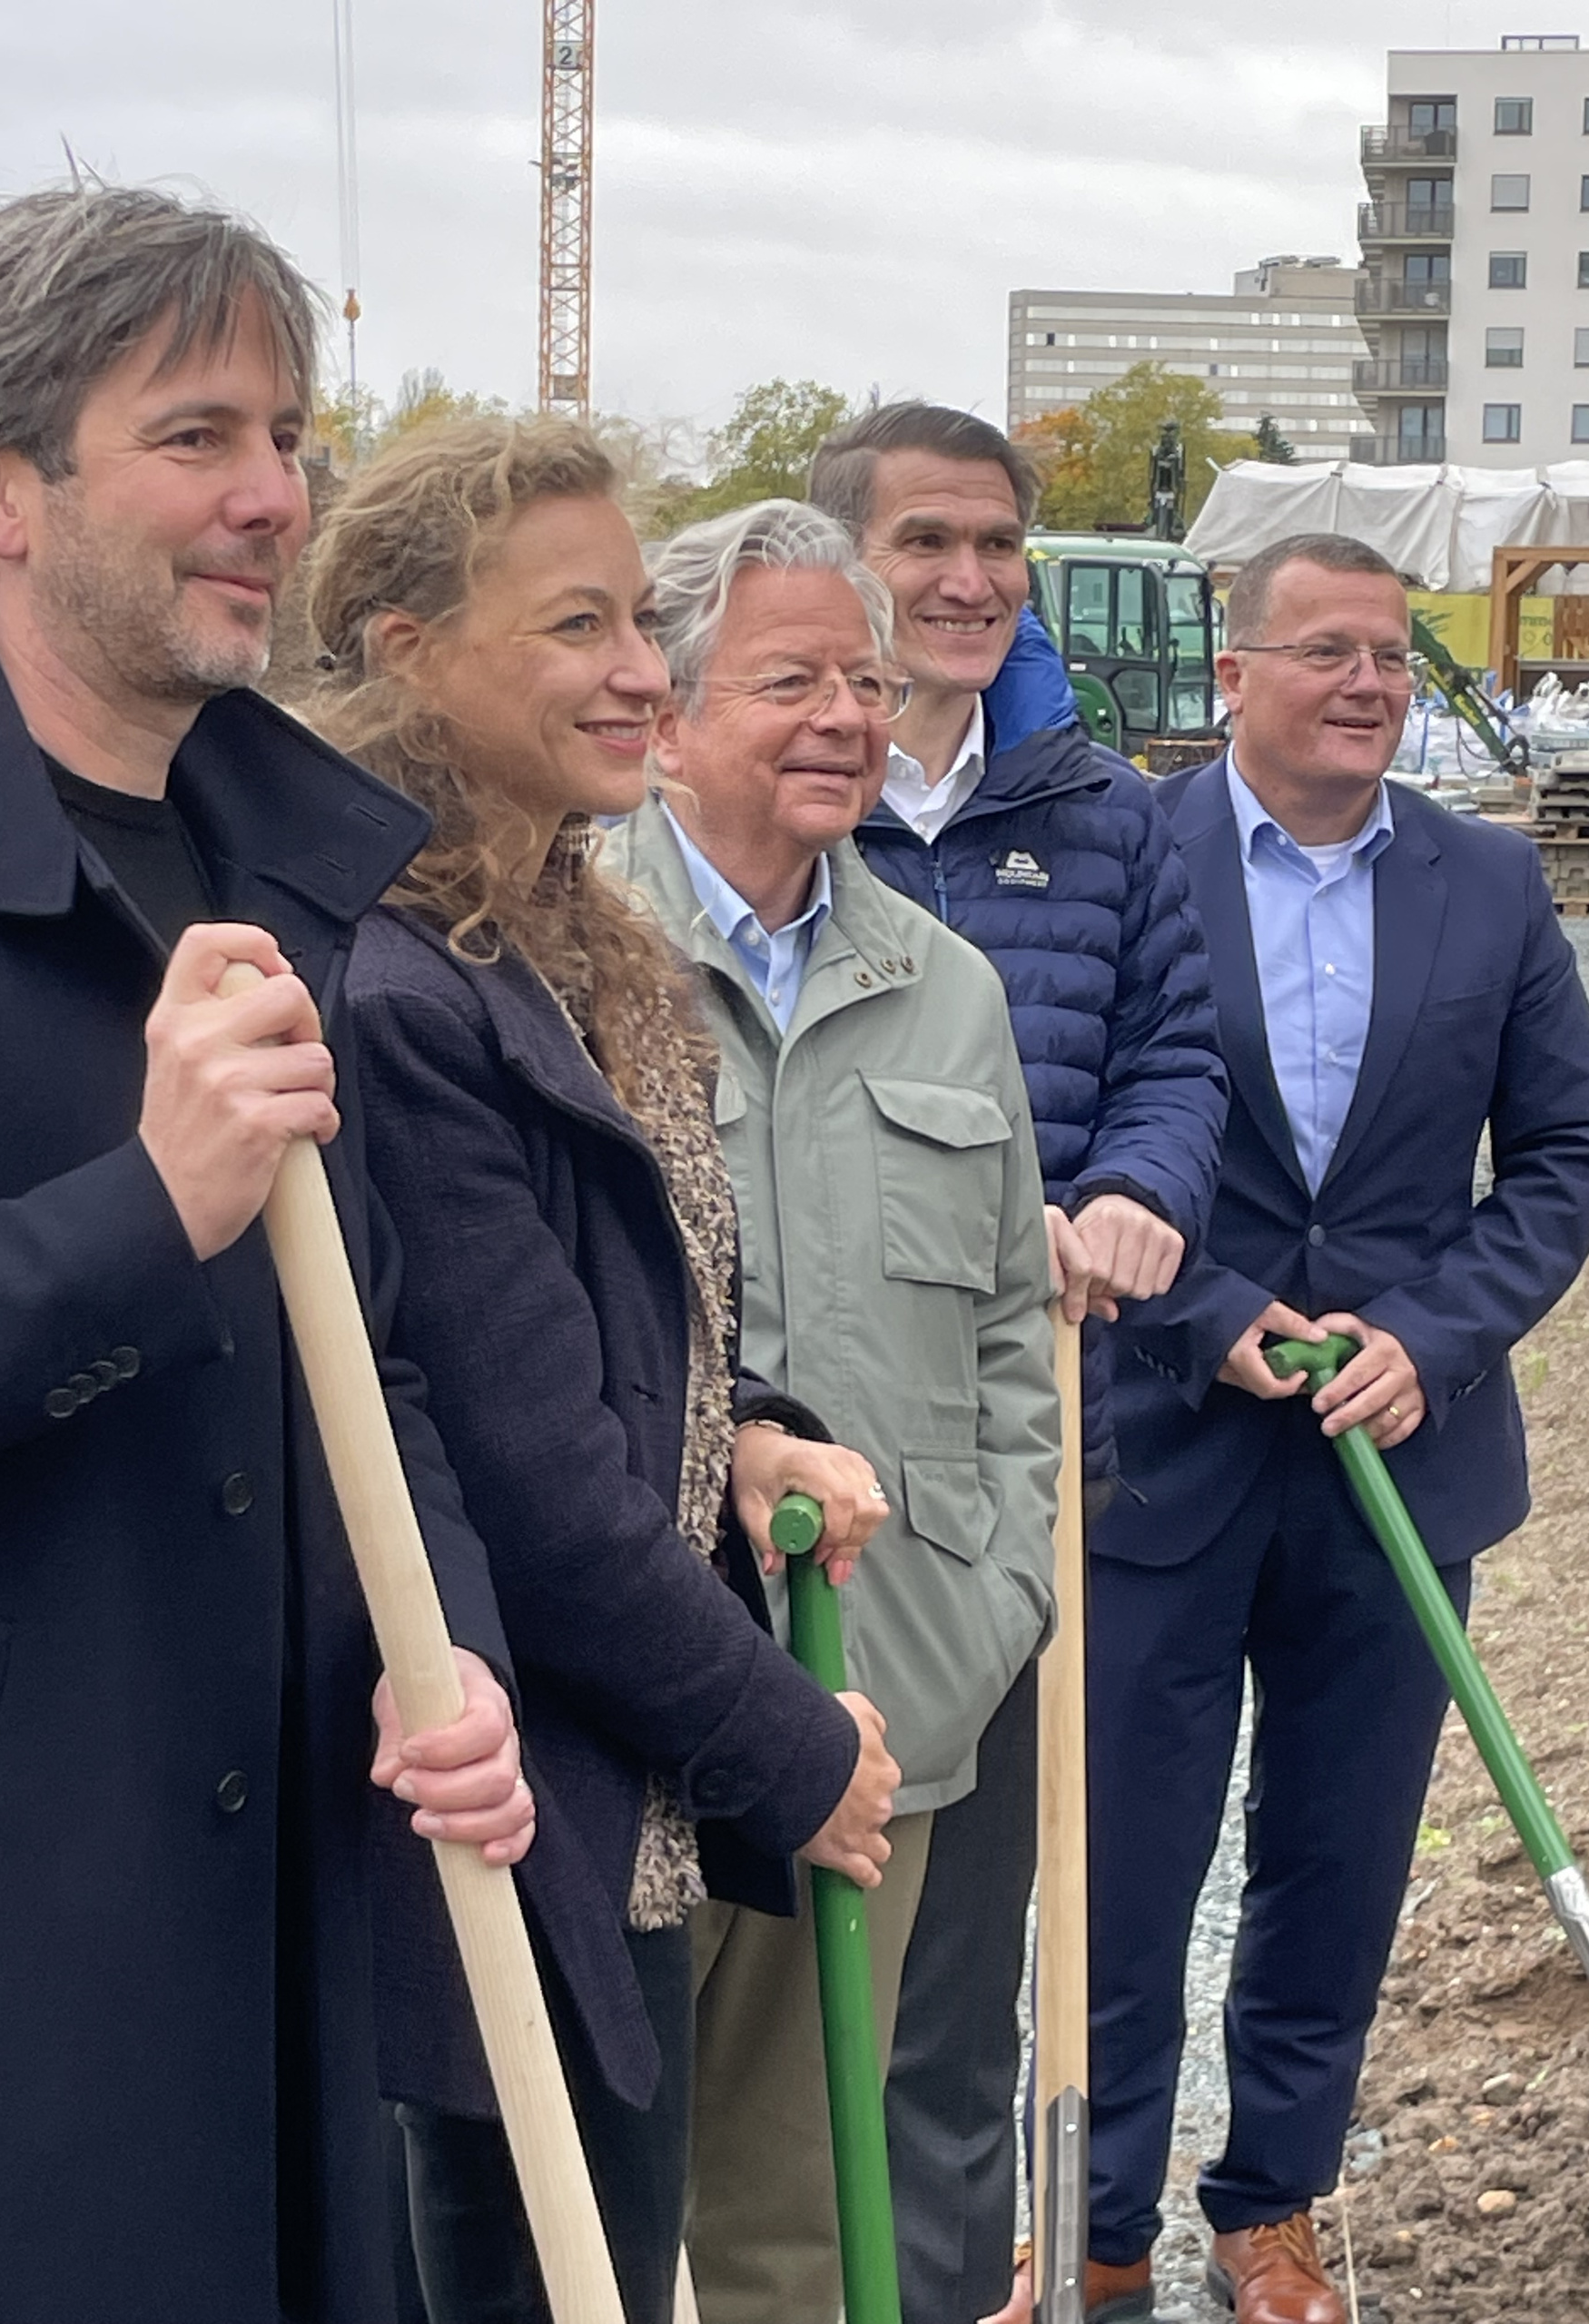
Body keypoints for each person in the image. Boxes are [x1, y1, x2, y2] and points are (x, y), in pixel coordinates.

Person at [0, 185, 535, 2324]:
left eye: (288, 432)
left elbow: (386, 1362)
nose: (277, 496)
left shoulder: (300, 867)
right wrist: (136, 1214)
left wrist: (454, 1665)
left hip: (280, 1950)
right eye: (196, 436)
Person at [303, 419, 900, 2324]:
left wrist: (741, 1431)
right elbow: (541, 1498)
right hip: (500, 1828)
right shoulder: (402, 990)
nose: (647, 666)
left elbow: (618, 1345)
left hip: (602, 1806)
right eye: (581, 622)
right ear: (406, 649)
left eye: (644, 616)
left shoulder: (557, 929)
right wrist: (800, 1750)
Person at [1089, 532, 1589, 2324]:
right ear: (1231, 676)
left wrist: (1431, 1331)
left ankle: (1272, 2209)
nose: (1371, 683)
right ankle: (1092, 2217)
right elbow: (1055, 1124)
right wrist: (1216, 1314)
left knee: (1337, 1858)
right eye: (1326, 650)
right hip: (1158, 1443)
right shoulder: (1123, 852)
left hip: (1401, 1456)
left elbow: (1567, 1151)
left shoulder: (1485, 881)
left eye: (1392, 654)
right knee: (1121, 1864)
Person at [606, 498, 1059, 2324]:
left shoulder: (946, 988)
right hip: (622, 1715)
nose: (845, 718)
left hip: (882, 1706)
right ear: (670, 701)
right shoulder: (560, 962)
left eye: (865, 682)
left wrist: (991, 1593)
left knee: (808, 2227)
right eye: (789, 675)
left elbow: (1018, 1337)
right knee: (590, 2219)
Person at [809, 399, 1227, 2321]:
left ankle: (971, 2277)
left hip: (1017, 1432)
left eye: (997, 546)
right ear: (842, 562)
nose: (969, 581)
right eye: (924, 543)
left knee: (967, 1945)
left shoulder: (1103, 807)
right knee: (789, 1927)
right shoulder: (766, 798)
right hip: (802, 1438)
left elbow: (1177, 1052)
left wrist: (1138, 1187)